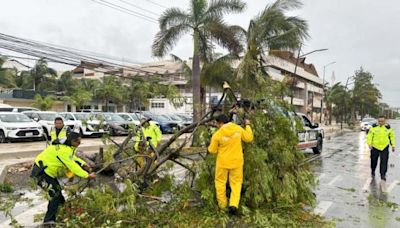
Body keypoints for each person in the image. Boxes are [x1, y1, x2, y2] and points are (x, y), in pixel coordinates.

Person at [31, 132, 96, 224]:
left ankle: (64, 211)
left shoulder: (66, 147)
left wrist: (82, 163)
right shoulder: (63, 150)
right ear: (72, 141)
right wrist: (87, 175)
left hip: (47, 173)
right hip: (41, 173)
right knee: (55, 195)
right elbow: (72, 165)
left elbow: (72, 157)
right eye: (78, 142)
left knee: (57, 191)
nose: (79, 143)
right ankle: (48, 220)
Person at [207, 114, 254, 215]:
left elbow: (212, 150)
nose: (217, 126)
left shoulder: (217, 134)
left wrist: (216, 146)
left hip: (222, 163)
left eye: (217, 124)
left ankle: (222, 206)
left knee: (220, 183)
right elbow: (249, 138)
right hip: (237, 162)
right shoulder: (238, 129)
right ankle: (233, 205)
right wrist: (248, 125)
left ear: (220, 123)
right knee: (236, 183)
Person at [367, 116, 395, 191]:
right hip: (375, 147)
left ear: (385, 121)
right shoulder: (373, 127)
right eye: (379, 121)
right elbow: (369, 135)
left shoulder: (388, 128)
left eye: (382, 121)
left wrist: (393, 145)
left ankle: (383, 174)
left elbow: (391, 136)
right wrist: (369, 144)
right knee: (373, 161)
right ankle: (373, 170)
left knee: (384, 162)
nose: (381, 123)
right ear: (378, 121)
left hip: (384, 147)